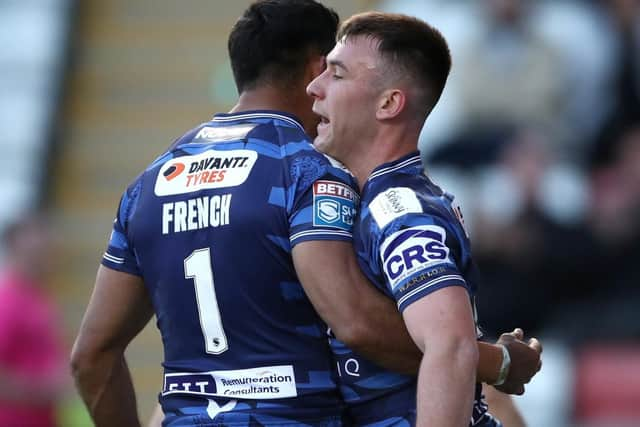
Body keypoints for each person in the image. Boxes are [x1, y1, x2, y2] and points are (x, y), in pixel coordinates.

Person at [72, 2, 541, 426]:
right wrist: (494, 361)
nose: (322, 87)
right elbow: (358, 322)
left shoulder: (148, 185)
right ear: (314, 69)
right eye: (330, 69)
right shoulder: (309, 175)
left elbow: (91, 356)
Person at [307, 11, 541, 426]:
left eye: (337, 75)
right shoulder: (385, 198)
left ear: (389, 103)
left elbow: (449, 345)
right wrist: (499, 359)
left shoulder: (397, 209)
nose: (314, 87)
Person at [0, 214, 68, 427]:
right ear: (14, 245)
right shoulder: (7, 301)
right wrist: (41, 388)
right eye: (36, 244)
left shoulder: (38, 297)